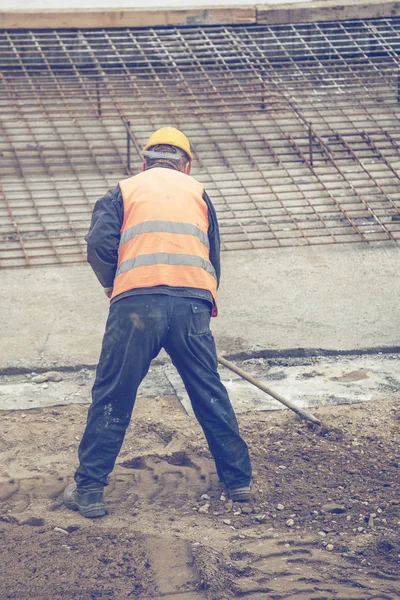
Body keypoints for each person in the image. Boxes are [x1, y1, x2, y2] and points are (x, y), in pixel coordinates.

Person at [63, 127, 252, 518]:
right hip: (192, 305)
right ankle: (238, 481)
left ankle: (90, 492)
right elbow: (212, 252)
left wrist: (113, 283)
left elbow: (98, 245)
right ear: (186, 164)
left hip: (136, 304)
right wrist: (201, 297)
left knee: (114, 392)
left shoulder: (123, 190)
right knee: (208, 391)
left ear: (144, 161)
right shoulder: (198, 192)